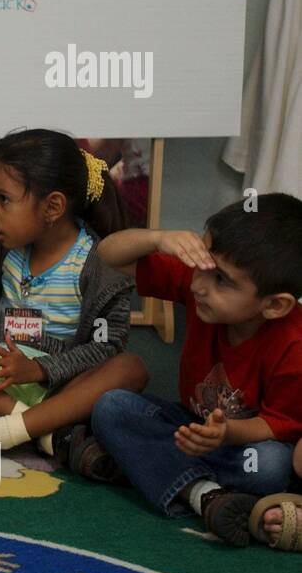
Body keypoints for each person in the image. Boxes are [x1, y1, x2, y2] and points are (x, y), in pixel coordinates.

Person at [0, 129, 147, 467]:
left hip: (65, 385)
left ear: (53, 207)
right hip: (1, 379)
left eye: (3, 199)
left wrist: (39, 369)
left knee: (129, 368)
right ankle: (46, 432)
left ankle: (7, 429)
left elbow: (104, 345)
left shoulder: (99, 262)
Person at [92, 194, 302, 547]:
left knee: (270, 466)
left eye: (221, 279)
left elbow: (276, 424)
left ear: (274, 305)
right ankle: (208, 496)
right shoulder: (200, 286)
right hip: (190, 428)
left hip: (244, 445)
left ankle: (175, 479)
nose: (197, 285)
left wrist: (227, 434)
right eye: (201, 263)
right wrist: (158, 239)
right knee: (111, 407)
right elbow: (108, 255)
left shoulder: (294, 344)